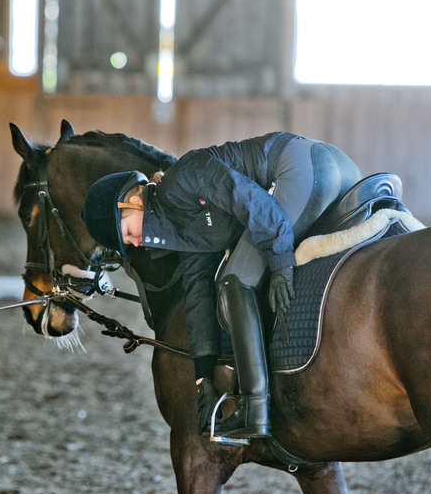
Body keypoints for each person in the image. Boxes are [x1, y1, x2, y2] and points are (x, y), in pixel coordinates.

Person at [80, 132, 360, 440]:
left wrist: (281, 261)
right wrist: (204, 381)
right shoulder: (181, 233)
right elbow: (198, 297)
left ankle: (254, 408)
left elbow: (248, 199)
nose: (135, 242)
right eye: (128, 243)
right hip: (338, 168)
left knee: (235, 279)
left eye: (127, 232)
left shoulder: (181, 179)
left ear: (132, 200)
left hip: (306, 168)